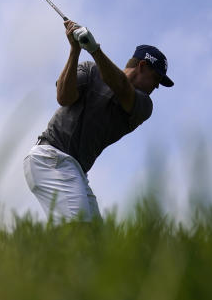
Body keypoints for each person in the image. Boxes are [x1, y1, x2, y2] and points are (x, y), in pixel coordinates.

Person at [23, 20, 173, 221]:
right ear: (142, 66)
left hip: (75, 170)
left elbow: (120, 86)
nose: (155, 88)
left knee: (96, 244)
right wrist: (75, 50)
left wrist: (94, 49)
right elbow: (63, 97)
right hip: (51, 157)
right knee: (79, 235)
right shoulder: (90, 70)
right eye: (156, 79)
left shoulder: (144, 105)